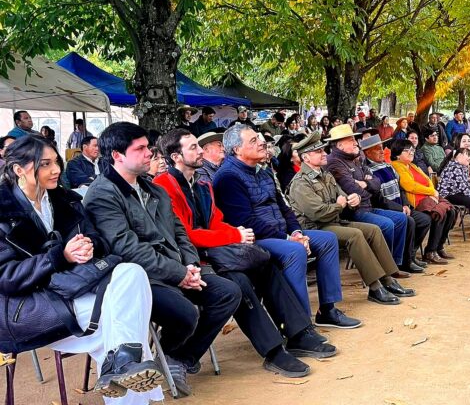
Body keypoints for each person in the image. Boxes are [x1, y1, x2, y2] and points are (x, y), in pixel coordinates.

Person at [154, 129, 335, 378]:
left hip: (215, 252)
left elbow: (215, 220)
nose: (202, 151)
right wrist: (235, 236)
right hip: (191, 260)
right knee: (239, 281)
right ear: (176, 156)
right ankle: (273, 351)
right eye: (194, 147)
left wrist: (236, 231)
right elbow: (185, 234)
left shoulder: (202, 183)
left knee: (265, 264)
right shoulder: (164, 185)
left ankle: (298, 333)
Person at [0, 135, 165, 404]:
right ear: (19, 169)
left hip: (76, 287)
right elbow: (6, 279)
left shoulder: (66, 200)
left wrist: (88, 246)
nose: (55, 170)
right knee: (122, 320)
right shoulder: (2, 211)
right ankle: (121, 365)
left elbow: (98, 240)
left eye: (56, 162)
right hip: (29, 307)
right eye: (44, 164)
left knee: (132, 272)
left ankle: (119, 365)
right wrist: (60, 255)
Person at [84, 122, 241, 397]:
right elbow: (127, 249)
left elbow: (179, 231)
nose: (150, 154)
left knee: (228, 292)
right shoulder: (103, 194)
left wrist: (191, 264)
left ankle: (175, 358)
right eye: (141, 149)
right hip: (138, 278)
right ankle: (169, 359)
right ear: (117, 156)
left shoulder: (153, 188)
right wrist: (179, 273)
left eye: (149, 147)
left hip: (174, 268)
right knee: (186, 313)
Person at [212, 124, 360, 328]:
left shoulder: (262, 172)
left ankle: (327, 309)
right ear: (237, 149)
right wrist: (289, 239)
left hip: (282, 233)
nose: (262, 143)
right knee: (295, 251)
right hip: (254, 239)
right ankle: (299, 324)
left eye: (259, 138)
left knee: (327, 240)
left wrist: (296, 231)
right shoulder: (228, 177)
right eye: (253, 141)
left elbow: (285, 208)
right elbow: (245, 221)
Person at [288, 132, 415, 305]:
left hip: (333, 221)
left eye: (322, 150)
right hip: (316, 227)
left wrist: (352, 200)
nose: (324, 153)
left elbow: (344, 196)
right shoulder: (300, 182)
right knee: (355, 235)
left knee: (373, 230)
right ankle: (375, 286)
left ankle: (388, 279)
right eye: (318, 151)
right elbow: (317, 213)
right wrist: (340, 205)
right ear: (306, 157)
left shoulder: (325, 175)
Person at [325, 125, 409, 270]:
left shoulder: (354, 158)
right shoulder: (334, 163)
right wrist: (368, 185)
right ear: (340, 145)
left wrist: (365, 184)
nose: (356, 143)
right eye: (351, 140)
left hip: (367, 206)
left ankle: (395, 264)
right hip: (353, 212)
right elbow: (352, 189)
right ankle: (383, 269)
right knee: (387, 224)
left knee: (401, 219)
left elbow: (377, 183)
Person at [362, 135, 431, 273]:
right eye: (378, 149)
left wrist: (405, 205)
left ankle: (410, 255)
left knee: (424, 220)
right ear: (367, 153)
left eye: (382, 148)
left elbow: (400, 189)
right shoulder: (367, 170)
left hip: (400, 206)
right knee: (409, 221)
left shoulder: (388, 166)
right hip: (384, 209)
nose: (383, 151)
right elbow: (378, 199)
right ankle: (403, 261)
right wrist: (399, 209)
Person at [391, 139, 456, 264]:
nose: (411, 152)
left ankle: (438, 247)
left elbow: (428, 180)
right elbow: (410, 186)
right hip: (416, 202)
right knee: (438, 214)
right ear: (397, 153)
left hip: (428, 198)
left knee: (450, 212)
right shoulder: (397, 165)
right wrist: (431, 192)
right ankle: (430, 251)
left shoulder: (412, 165)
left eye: (412, 149)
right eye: (407, 150)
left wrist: (432, 193)